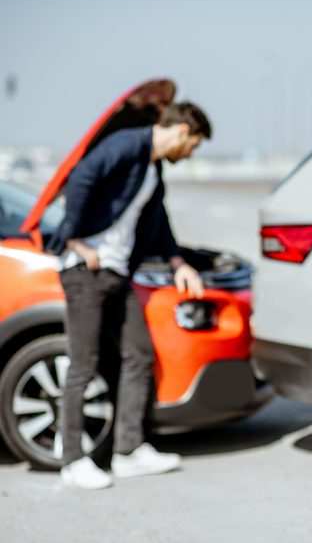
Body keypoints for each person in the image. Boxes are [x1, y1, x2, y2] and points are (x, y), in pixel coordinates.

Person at [48, 102, 212, 490]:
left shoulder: (152, 169)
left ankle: (128, 451)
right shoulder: (126, 144)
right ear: (182, 132)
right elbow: (81, 177)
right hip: (84, 271)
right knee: (83, 365)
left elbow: (161, 223)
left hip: (116, 274)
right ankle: (72, 461)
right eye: (193, 146)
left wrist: (179, 264)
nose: (190, 154)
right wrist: (73, 239)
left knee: (137, 355)